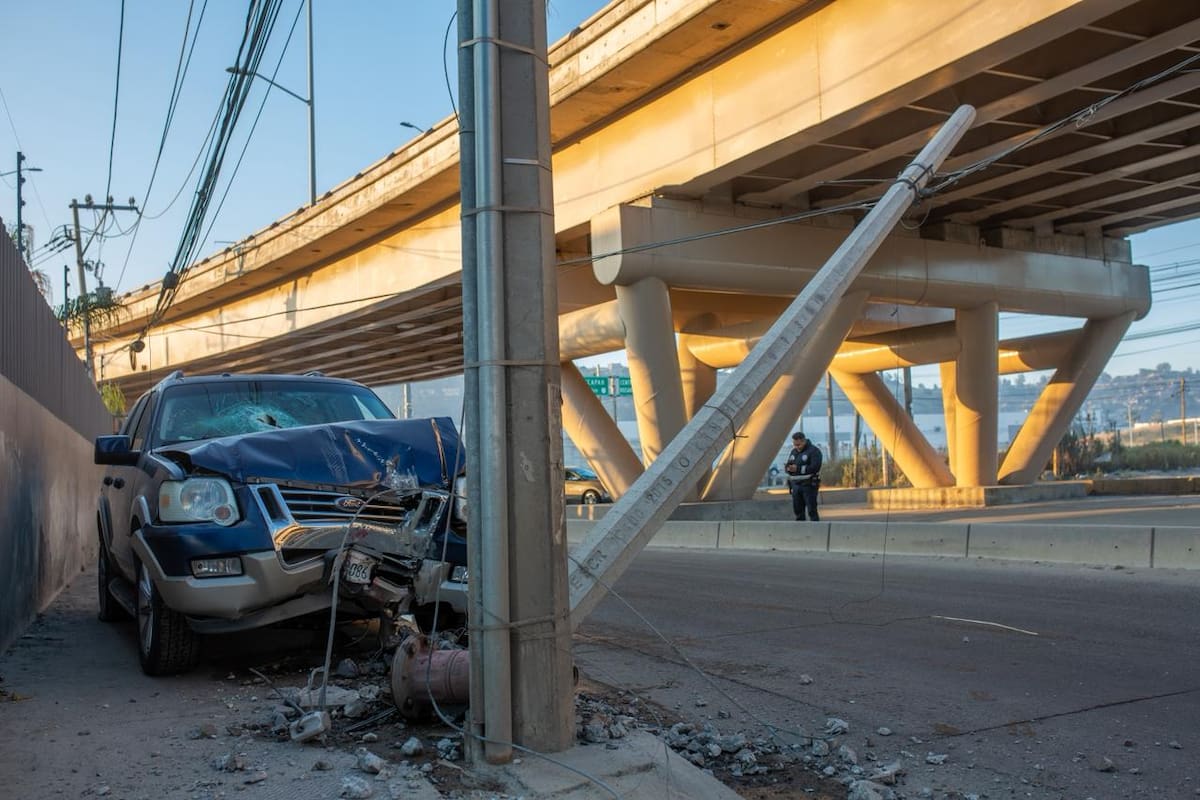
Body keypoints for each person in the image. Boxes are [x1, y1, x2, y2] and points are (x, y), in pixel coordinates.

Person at [785, 431, 822, 521]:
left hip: (808, 484)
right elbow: (789, 464)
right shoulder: (794, 452)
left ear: (804, 441)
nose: (797, 447)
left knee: (811, 509)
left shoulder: (814, 451)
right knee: (798, 509)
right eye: (795, 444)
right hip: (796, 485)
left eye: (799, 444)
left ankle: (816, 527)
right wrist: (788, 468)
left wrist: (798, 469)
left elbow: (814, 467)